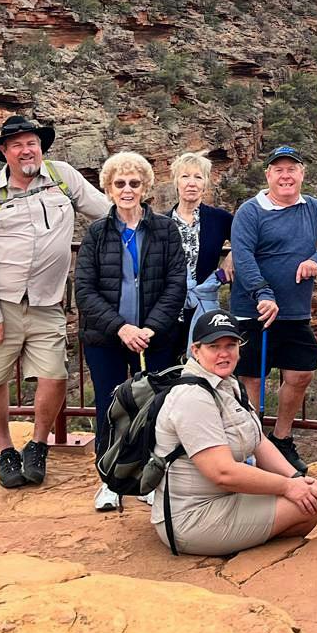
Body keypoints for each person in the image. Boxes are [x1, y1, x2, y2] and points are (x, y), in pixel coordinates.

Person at [0, 114, 111, 489]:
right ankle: (4, 450)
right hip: (0, 303)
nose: (27, 150)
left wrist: (155, 228)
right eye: (17, 145)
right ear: (5, 153)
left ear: (40, 147)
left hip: (47, 302)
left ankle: (38, 443)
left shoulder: (62, 178)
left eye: (32, 143)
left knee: (55, 375)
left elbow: (106, 211)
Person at [151, 310, 317, 556]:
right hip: (193, 518)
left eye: (231, 344)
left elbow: (257, 440)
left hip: (225, 499)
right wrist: (287, 488)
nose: (224, 353)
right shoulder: (193, 397)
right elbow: (223, 472)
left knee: (308, 496)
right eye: (214, 346)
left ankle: (248, 536)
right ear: (196, 350)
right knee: (309, 505)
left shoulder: (227, 384)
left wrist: (296, 477)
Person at [74, 151, 188, 512]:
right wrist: (122, 328)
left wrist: (150, 328)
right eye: (120, 184)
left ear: (146, 188)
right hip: (106, 337)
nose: (127, 190)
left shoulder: (165, 230)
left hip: (154, 338)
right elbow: (85, 290)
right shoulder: (96, 233)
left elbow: (175, 283)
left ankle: (149, 481)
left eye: (134, 184)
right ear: (108, 189)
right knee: (110, 405)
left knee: (153, 408)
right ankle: (109, 482)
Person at [229, 145, 317, 477]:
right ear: (268, 175)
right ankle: (253, 447)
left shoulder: (312, 208)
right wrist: (263, 293)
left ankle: (281, 439)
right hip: (253, 311)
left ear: (301, 174)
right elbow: (243, 256)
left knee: (300, 373)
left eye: (291, 169)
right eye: (278, 170)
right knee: (251, 378)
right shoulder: (250, 211)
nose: (285, 175)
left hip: (294, 312)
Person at [166, 151, 233, 328]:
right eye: (185, 176)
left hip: (203, 307)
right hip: (167, 309)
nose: (191, 183)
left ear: (205, 184)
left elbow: (249, 239)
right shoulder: (161, 223)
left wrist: (232, 256)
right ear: (176, 182)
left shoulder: (219, 219)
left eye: (198, 177)